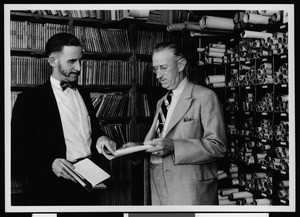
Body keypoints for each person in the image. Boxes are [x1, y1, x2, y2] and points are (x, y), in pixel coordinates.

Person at [11, 33, 116, 205]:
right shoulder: (29, 99)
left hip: (88, 181)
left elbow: (93, 131)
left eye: (80, 60)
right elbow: (15, 147)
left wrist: (101, 137)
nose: (79, 68)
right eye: (71, 61)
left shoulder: (83, 93)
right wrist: (50, 164)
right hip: (51, 188)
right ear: (52, 61)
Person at [124, 42, 227, 205]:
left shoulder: (204, 96)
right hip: (156, 182)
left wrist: (174, 146)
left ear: (181, 65)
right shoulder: (162, 102)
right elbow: (161, 141)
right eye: (155, 69)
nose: (158, 75)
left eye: (163, 67)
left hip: (187, 188)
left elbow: (217, 146)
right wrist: (138, 148)